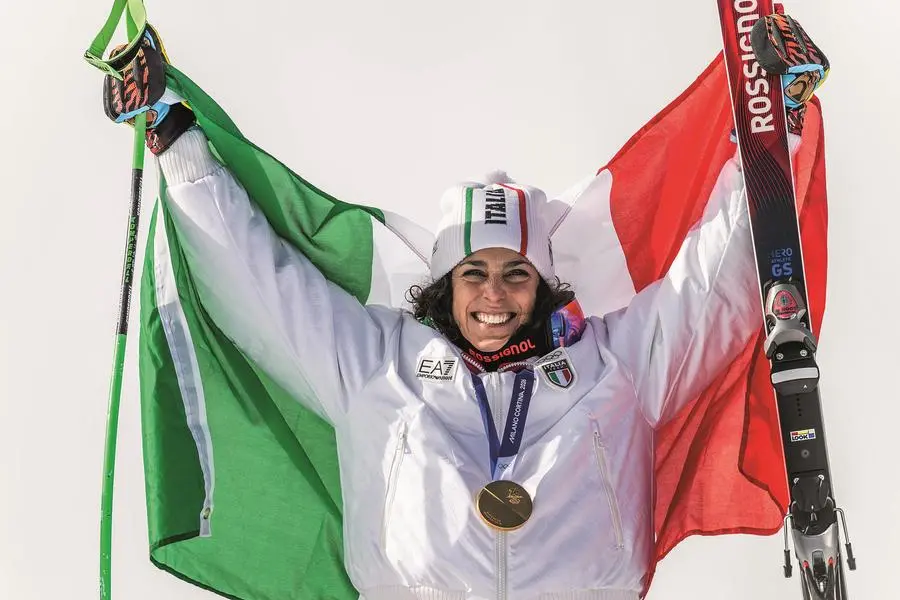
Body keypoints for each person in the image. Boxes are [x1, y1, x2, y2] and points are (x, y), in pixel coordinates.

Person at [103, 13, 828, 600]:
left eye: (516, 273)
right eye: (472, 272)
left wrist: (778, 123)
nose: (493, 293)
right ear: (444, 284)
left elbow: (714, 283)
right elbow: (260, 282)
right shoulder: (374, 364)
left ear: (543, 285)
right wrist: (172, 135)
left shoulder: (617, 365)